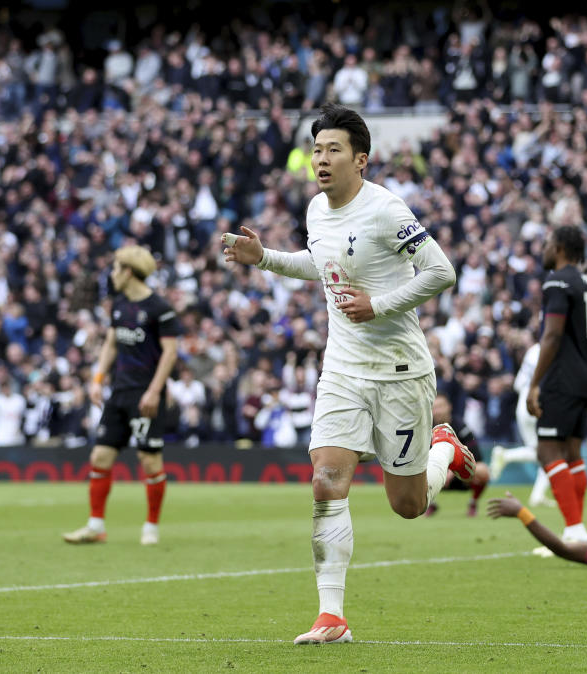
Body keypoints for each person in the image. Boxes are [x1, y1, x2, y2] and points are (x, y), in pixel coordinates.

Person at [222, 103, 475, 645]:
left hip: (401, 370)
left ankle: (442, 452)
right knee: (325, 479)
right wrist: (264, 257)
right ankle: (331, 616)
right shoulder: (317, 209)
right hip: (342, 367)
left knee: (407, 506)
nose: (321, 158)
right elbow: (321, 263)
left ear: (361, 159)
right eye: (316, 149)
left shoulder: (387, 210)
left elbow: (442, 271)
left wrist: (379, 304)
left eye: (333, 149)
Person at [63, 245, 181, 546]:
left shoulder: (159, 308)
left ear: (128, 272)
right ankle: (95, 526)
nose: (112, 275)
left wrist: (155, 391)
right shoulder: (119, 304)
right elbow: (111, 345)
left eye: (116, 269)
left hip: (145, 393)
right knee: (100, 455)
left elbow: (170, 353)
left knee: (149, 460)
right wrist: (97, 378)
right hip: (119, 392)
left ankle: (151, 527)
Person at [526, 225, 587, 544]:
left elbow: (553, 335)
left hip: (563, 376)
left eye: (547, 243)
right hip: (585, 374)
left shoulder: (557, 281)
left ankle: (573, 528)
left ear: (559, 248)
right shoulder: (585, 283)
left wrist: (534, 383)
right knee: (572, 452)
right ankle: (577, 527)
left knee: (547, 450)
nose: (543, 249)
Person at [488, 342, 553, 508]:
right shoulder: (554, 348)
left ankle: (537, 495)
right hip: (539, 405)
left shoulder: (532, 350)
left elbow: (517, 384)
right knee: (552, 452)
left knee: (542, 452)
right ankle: (507, 455)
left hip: (523, 404)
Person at [425, 393, 490, 517]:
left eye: (440, 406)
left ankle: (473, 503)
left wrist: (452, 470)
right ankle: (429, 503)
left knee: (483, 471)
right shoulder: (425, 428)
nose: (437, 411)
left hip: (459, 476)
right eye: (434, 407)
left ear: (449, 407)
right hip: (435, 475)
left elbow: (477, 457)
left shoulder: (462, 428)